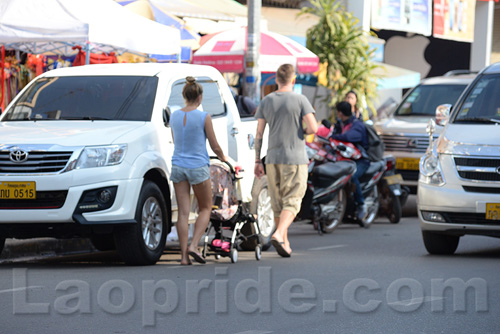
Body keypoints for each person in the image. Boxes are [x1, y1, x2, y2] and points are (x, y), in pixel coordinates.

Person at [254, 64, 318, 257]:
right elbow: (313, 128)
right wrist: (303, 131)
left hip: (272, 158)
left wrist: (257, 160)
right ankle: (280, 233)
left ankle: (285, 242)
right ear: (294, 79)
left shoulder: (267, 100)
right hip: (295, 158)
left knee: (278, 201)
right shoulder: (300, 99)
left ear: (276, 79)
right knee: (293, 199)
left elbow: (259, 133)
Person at [170, 76, 228, 265]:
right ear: (200, 97)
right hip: (197, 167)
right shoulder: (204, 117)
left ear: (184, 95)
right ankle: (194, 245)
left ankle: (184, 257)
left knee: (183, 213)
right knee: (205, 207)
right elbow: (214, 145)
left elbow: (177, 139)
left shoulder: (174, 116)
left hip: (178, 166)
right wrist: (224, 158)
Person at [331, 101, 370, 222]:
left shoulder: (356, 124)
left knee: (352, 176)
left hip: (361, 160)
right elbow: (332, 135)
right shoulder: (340, 124)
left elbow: (349, 137)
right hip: (343, 158)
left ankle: (361, 204)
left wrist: (335, 137)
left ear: (340, 113)